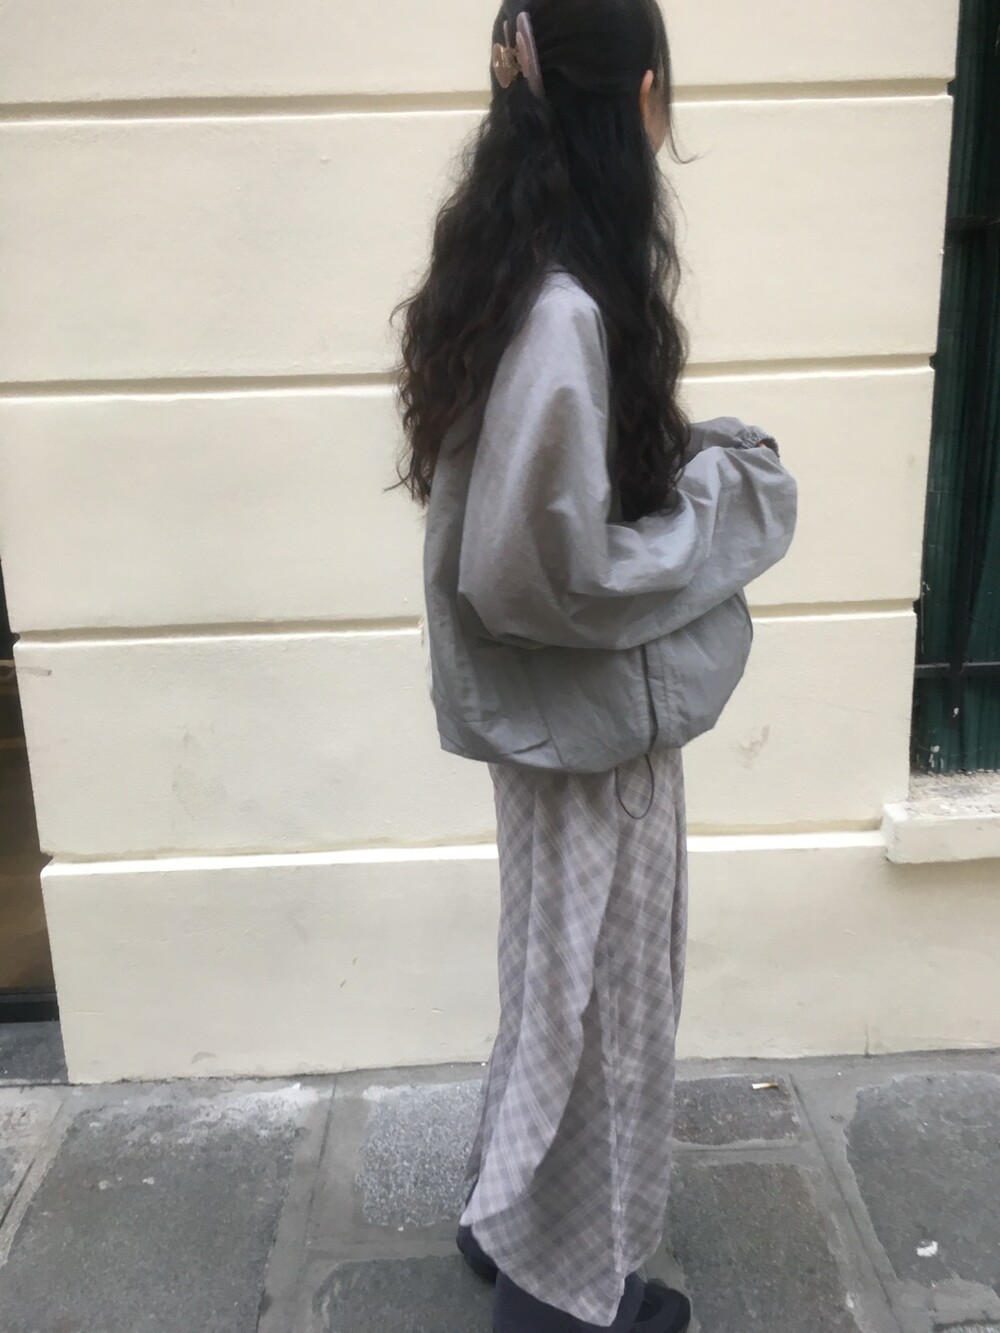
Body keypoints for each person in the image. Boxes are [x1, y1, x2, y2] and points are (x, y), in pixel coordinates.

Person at [393, 2, 798, 1329]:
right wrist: (723, 509)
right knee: (604, 1014)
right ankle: (565, 1297)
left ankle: (501, 1224)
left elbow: (536, 509)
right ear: (636, 100)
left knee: (549, 990)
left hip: (552, 725)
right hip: (594, 734)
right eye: (665, 90)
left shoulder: (514, 264)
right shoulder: (566, 305)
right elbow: (543, 570)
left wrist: (677, 458)